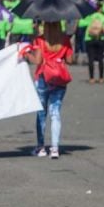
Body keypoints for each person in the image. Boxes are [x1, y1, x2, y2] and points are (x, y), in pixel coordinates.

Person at [24, 21, 74, 159]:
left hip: (42, 77)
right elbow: (70, 60)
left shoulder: (40, 40)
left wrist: (27, 54)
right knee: (55, 112)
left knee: (41, 112)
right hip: (59, 78)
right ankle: (55, 148)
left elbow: (38, 61)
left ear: (45, 26)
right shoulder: (65, 40)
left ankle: (41, 147)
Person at [84, 0, 104, 84]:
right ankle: (101, 78)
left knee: (91, 59)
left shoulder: (90, 16)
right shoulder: (103, 17)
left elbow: (81, 24)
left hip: (89, 38)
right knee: (100, 59)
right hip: (100, 38)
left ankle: (91, 78)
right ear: (100, 9)